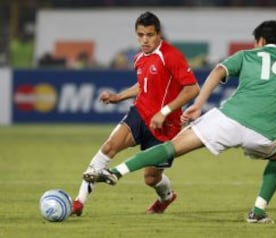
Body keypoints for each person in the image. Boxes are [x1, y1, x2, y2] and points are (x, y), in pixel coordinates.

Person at [83, 20, 276, 223]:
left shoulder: (247, 55)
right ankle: (258, 212)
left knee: (173, 147)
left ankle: (116, 171)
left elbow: (218, 70)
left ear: (260, 42)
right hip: (263, 134)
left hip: (227, 120)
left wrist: (199, 105)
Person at [72, 11, 200, 216]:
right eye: (140, 35)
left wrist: (164, 112)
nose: (144, 40)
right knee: (109, 147)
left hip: (165, 126)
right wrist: (118, 97)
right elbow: (143, 85)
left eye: (149, 35)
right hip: (140, 114)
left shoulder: (171, 56)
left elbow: (193, 89)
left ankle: (166, 197)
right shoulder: (139, 57)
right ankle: (78, 203)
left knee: (151, 179)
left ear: (159, 34)